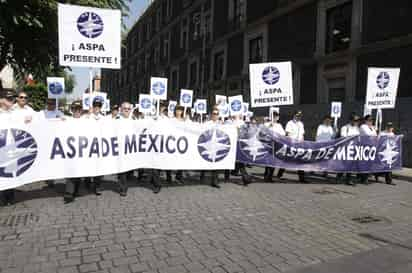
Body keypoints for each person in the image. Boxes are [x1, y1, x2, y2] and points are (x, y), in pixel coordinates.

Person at [82, 97, 105, 195]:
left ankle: (97, 187)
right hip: (88, 146)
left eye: (99, 106)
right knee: (88, 165)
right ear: (92, 106)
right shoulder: (86, 117)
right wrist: (88, 114)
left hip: (99, 146)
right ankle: (87, 182)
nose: (97, 108)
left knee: (99, 168)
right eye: (95, 105)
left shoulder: (104, 118)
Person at [63, 101, 84, 203]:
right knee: (70, 172)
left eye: (79, 109)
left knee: (79, 172)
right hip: (70, 151)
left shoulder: (86, 121)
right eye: (75, 109)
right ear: (72, 110)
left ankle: (75, 191)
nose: (77, 111)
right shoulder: (67, 120)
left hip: (82, 151)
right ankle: (69, 194)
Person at [0, 91, 18, 206]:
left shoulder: (15, 113)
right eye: (9, 99)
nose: (12, 101)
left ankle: (10, 197)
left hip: (12, 148)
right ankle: (2, 198)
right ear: (1, 100)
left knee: (11, 173)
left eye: (12, 99)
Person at [278, 110, 306, 183]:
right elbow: (288, 134)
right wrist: (291, 142)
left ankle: (302, 178)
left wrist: (302, 142)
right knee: (286, 161)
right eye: (297, 115)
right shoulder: (290, 123)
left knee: (300, 161)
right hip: (291, 144)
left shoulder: (301, 124)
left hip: (299, 145)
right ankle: (279, 175)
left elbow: (302, 135)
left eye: (300, 116)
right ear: (294, 115)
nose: (299, 117)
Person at [225, 113, 251, 186]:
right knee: (228, 159)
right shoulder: (228, 122)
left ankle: (245, 177)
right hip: (230, 143)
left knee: (240, 161)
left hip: (238, 143)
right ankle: (226, 176)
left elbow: (246, 133)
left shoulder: (242, 122)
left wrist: (239, 130)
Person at [116, 102, 135, 196]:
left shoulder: (134, 120)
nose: (127, 110)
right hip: (120, 150)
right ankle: (123, 188)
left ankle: (123, 183)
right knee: (122, 169)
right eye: (125, 108)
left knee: (128, 170)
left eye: (128, 109)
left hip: (131, 149)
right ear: (121, 109)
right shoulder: (116, 120)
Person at [202, 107, 222, 188]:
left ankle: (215, 181)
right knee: (205, 161)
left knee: (216, 162)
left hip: (215, 146)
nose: (215, 115)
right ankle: (202, 174)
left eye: (217, 114)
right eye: (214, 113)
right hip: (208, 145)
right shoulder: (207, 123)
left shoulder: (221, 124)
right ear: (211, 115)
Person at [338, 114, 361, 186]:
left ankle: (348, 179)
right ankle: (339, 177)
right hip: (346, 148)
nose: (356, 122)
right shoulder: (345, 128)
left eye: (357, 121)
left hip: (354, 148)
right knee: (344, 164)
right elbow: (343, 137)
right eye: (355, 120)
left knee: (350, 165)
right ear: (350, 120)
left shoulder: (357, 128)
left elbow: (359, 138)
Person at [264, 110, 286, 182]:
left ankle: (269, 177)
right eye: (274, 116)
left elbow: (283, 134)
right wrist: (269, 126)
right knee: (268, 161)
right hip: (268, 144)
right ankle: (266, 175)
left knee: (273, 162)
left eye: (276, 116)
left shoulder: (279, 125)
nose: (275, 118)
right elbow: (263, 132)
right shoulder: (267, 124)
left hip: (276, 145)